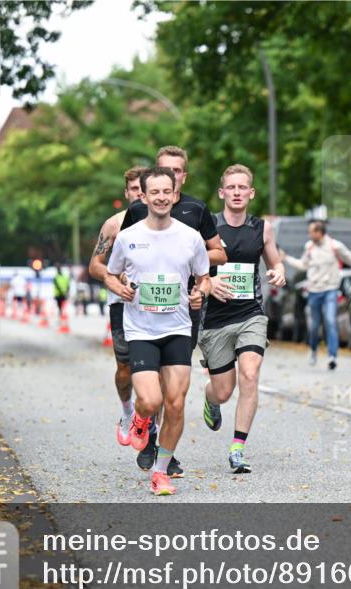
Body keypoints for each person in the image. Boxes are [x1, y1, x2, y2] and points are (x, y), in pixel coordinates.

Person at [119, 146, 227, 471]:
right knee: (153, 388)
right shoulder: (139, 211)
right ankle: (150, 437)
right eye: (166, 170)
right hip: (144, 314)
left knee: (173, 389)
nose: (172, 176)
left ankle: (161, 449)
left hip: (183, 309)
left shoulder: (196, 210)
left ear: (184, 175)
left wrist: (197, 268)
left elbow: (218, 253)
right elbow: (122, 255)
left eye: (178, 171)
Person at [105, 167, 210, 495]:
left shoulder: (191, 238)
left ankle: (161, 472)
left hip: (178, 328)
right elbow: (110, 274)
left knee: (176, 404)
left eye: (168, 191)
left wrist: (200, 292)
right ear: (145, 196)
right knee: (150, 401)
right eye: (155, 192)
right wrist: (119, 288)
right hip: (141, 330)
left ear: (175, 195)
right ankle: (139, 418)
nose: (162, 197)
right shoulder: (128, 237)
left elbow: (204, 277)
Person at [200, 165, 285, 473]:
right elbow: (190, 265)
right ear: (222, 192)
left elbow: (274, 261)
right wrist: (207, 283)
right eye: (231, 187)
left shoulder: (261, 228)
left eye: (242, 188)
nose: (236, 192)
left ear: (251, 193)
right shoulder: (206, 226)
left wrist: (278, 271)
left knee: (250, 374)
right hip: (215, 319)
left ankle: (238, 448)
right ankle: (209, 397)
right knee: (223, 390)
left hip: (251, 314)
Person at [88, 167, 169, 464]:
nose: (139, 193)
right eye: (134, 189)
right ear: (128, 193)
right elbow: (95, 265)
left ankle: (151, 438)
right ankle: (126, 413)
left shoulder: (167, 225)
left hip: (157, 304)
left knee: (157, 371)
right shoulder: (114, 225)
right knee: (125, 369)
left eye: (142, 188)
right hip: (122, 303)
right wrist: (114, 277)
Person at [281, 220, 351, 370]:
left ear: (319, 233)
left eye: (311, 232)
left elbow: (350, 258)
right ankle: (313, 350)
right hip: (314, 291)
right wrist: (286, 258)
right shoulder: (309, 247)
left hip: (330, 290)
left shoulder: (335, 246)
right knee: (314, 325)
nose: (309, 234)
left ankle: (332, 356)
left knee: (330, 321)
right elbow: (303, 265)